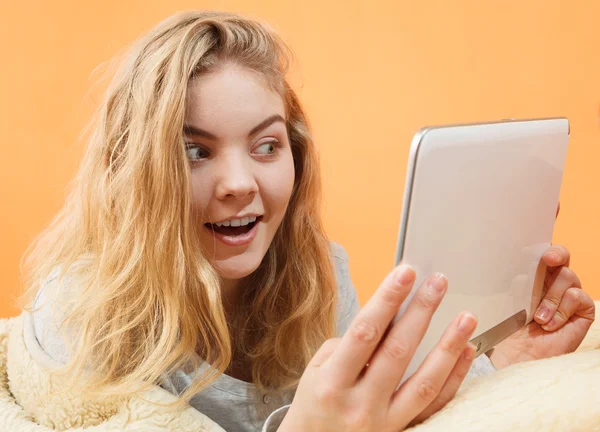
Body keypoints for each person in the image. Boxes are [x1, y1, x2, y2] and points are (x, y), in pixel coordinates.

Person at [19, 10, 595, 432]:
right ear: (131, 168)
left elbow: (377, 412)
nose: (240, 183)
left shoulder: (319, 274)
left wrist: (502, 361)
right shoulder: (80, 314)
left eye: (266, 146)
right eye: (195, 151)